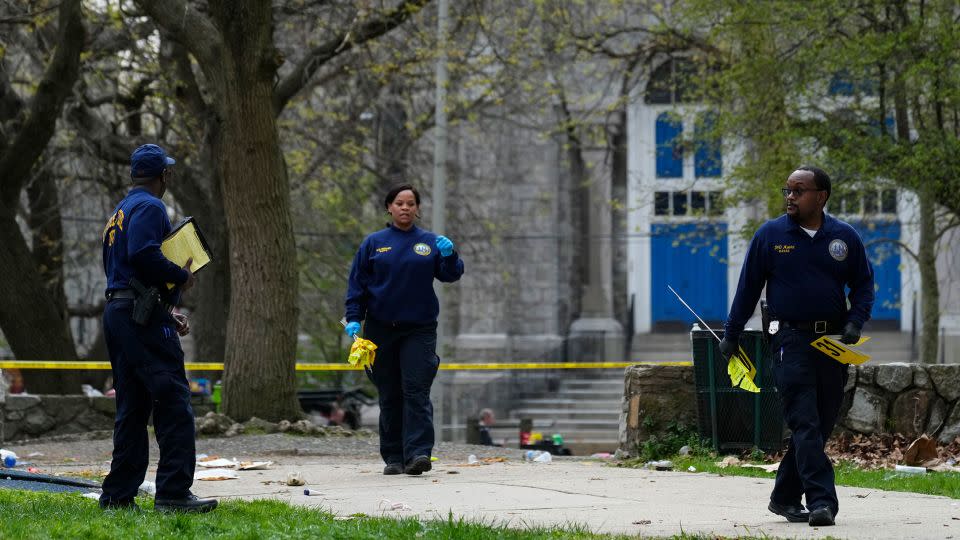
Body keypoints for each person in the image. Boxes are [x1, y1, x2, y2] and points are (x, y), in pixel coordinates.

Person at [719, 166, 874, 527]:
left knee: (819, 427)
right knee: (804, 421)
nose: (790, 196)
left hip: (833, 342)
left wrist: (855, 321)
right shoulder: (770, 235)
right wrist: (732, 333)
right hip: (790, 340)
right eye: (787, 190)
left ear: (820, 197)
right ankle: (822, 502)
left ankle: (784, 497)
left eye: (798, 190)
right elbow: (748, 288)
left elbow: (864, 285)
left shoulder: (844, 237)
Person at [99, 144, 217, 513]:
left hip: (121, 313)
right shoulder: (151, 206)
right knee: (173, 401)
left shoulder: (121, 209)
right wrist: (182, 275)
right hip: (139, 315)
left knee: (132, 407)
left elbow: (127, 272)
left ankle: (118, 497)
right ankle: (173, 493)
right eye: (169, 173)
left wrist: (167, 313)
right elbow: (144, 254)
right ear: (163, 175)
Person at [344, 184, 464, 476]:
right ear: (389, 207)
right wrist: (353, 318)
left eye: (411, 203)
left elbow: (451, 275)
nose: (406, 208)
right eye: (400, 203)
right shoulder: (373, 243)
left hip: (418, 329)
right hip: (380, 329)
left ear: (417, 208)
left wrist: (449, 256)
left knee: (416, 390)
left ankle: (419, 453)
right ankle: (394, 457)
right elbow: (357, 284)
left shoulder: (430, 242)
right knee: (389, 393)